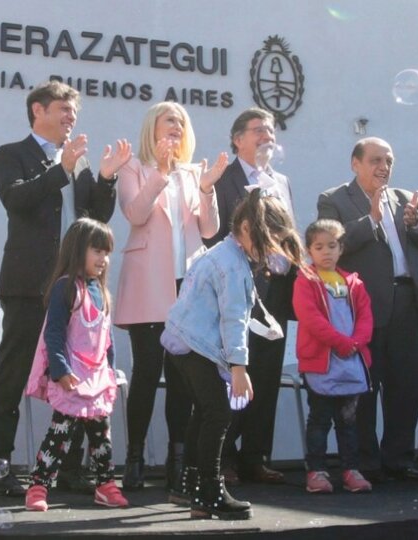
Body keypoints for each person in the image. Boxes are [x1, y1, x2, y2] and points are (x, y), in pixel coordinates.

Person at [0, 81, 130, 496]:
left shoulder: (79, 163)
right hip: (27, 283)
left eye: (74, 113)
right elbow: (16, 200)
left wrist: (104, 178)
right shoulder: (11, 154)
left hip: (72, 289)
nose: (71, 118)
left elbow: (96, 218)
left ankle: (68, 469)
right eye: (63, 110)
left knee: (77, 374)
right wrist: (61, 170)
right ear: (38, 110)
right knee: (12, 373)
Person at [161, 191, 304, 520]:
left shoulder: (222, 255)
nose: (269, 251)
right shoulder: (233, 266)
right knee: (220, 414)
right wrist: (239, 367)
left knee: (204, 413)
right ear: (244, 228)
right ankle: (211, 491)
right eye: (266, 242)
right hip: (196, 347)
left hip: (182, 343)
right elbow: (233, 319)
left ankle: (194, 490)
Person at [114, 101, 228, 492]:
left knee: (184, 378)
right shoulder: (134, 167)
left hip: (187, 288)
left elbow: (210, 229)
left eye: (181, 122)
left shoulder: (195, 172)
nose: (176, 127)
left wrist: (208, 187)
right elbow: (136, 214)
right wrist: (159, 174)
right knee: (147, 371)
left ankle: (177, 460)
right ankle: (133, 459)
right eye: (169, 121)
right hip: (148, 285)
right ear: (153, 128)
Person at [317, 137, 418, 482]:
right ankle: (365, 461)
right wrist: (370, 219)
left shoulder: (404, 199)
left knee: (405, 387)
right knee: (363, 387)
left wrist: (417, 223)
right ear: (355, 163)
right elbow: (332, 246)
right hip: (362, 308)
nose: (383, 167)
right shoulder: (334, 200)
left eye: (388, 160)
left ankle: (399, 458)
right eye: (375, 160)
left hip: (406, 303)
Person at [207, 107, 296, 485]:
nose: (267, 137)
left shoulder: (281, 182)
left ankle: (255, 456)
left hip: (275, 292)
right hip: (237, 290)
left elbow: (288, 234)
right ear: (237, 138)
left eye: (271, 131)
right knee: (234, 375)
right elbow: (213, 235)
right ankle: (223, 458)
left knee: (267, 374)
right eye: (258, 130)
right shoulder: (222, 179)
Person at [23, 218, 128, 510]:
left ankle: (105, 485)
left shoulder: (101, 292)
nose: (103, 259)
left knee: (101, 437)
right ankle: (38, 487)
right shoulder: (65, 288)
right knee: (60, 435)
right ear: (78, 250)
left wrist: (110, 370)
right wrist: (60, 370)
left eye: (106, 253)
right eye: (97, 251)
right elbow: (53, 333)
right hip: (71, 376)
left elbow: (107, 338)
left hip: (95, 377)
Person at [292, 219, 374, 494]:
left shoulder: (354, 283)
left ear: (341, 248)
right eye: (319, 246)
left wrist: (356, 342)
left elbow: (365, 318)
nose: (326, 251)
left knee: (349, 422)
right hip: (321, 362)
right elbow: (311, 319)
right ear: (309, 251)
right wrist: (341, 342)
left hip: (350, 361)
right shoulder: (305, 281)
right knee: (319, 419)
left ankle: (351, 469)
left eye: (332, 245)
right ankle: (316, 470)